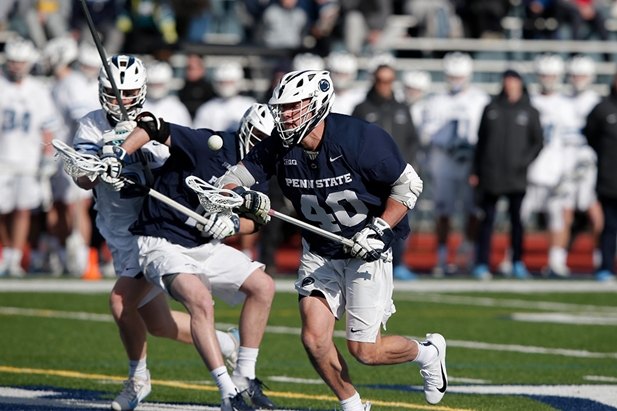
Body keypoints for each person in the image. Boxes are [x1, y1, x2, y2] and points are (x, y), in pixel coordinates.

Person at [219, 69, 448, 407]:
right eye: (281, 108)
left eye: (292, 107)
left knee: (366, 351)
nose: (284, 115)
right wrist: (233, 196)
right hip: (321, 249)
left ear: (317, 104)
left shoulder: (360, 138)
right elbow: (234, 177)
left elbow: (408, 185)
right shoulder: (280, 145)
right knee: (314, 339)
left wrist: (380, 229)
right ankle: (352, 405)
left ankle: (428, 354)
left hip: (365, 248)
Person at [73, 55, 241, 411]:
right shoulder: (90, 125)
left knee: (121, 303)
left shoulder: (159, 122)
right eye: (114, 92)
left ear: (143, 90)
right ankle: (228, 344)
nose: (121, 100)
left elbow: (178, 172)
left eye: (129, 91)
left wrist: (133, 158)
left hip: (153, 227)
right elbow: (82, 179)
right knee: (159, 324)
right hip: (117, 229)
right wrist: (103, 163)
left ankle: (137, 378)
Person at [104, 103, 278, 411]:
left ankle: (244, 378)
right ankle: (228, 394)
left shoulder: (261, 167)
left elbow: (259, 218)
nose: (264, 147)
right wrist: (119, 155)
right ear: (247, 131)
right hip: (162, 240)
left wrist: (235, 224)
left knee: (263, 286)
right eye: (261, 139)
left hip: (204, 245)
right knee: (197, 299)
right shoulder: (210, 144)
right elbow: (152, 127)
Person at [470, 69, 544, 280]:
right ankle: (482, 263)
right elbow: (481, 142)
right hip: (490, 174)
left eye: (513, 81)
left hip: (516, 177)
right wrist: (476, 171)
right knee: (487, 221)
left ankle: (517, 261)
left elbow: (537, 142)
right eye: (507, 81)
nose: (510, 85)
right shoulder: (491, 108)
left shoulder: (529, 111)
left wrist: (523, 162)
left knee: (517, 222)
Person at [422, 52, 490, 277]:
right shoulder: (436, 100)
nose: (456, 80)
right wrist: (448, 143)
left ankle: (468, 253)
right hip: (444, 166)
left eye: (460, 76)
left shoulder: (480, 100)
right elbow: (427, 132)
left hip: (471, 166)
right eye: (452, 75)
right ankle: (442, 257)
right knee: (443, 212)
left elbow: (487, 133)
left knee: (474, 211)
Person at [352, 62, 419, 281]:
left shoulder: (402, 108)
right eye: (381, 81)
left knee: (398, 220)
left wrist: (406, 165)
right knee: (370, 220)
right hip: (369, 177)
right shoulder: (362, 108)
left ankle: (397, 262)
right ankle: (369, 259)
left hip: (396, 176)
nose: (385, 85)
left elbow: (411, 140)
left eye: (389, 81)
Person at [0, 36, 59, 277]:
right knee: (2, 210)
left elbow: (47, 126)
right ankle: (7, 252)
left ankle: (14, 257)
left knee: (24, 210)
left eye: (20, 61)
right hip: (2, 158)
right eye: (13, 61)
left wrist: (47, 155)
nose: (16, 66)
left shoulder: (38, 89)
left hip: (28, 159)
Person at [523, 53, 579, 278]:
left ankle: (556, 260)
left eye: (551, 74)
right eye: (544, 74)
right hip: (530, 168)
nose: (547, 78)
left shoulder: (565, 105)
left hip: (556, 169)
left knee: (557, 216)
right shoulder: (530, 102)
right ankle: (513, 256)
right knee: (520, 215)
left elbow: (572, 144)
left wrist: (568, 172)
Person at [557, 55, 603, 276]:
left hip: (588, 164)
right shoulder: (562, 101)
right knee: (563, 212)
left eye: (582, 75)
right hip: (565, 162)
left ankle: (599, 257)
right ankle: (558, 259)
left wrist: (590, 159)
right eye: (575, 75)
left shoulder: (596, 102)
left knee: (595, 212)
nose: (578, 79)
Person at [582, 72, 617, 282]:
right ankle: (605, 266)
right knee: (609, 225)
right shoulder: (603, 108)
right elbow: (590, 135)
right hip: (609, 177)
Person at [193, 61, 256, 133]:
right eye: (223, 82)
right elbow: (199, 134)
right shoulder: (207, 109)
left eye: (230, 82)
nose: (226, 86)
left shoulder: (250, 106)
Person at [143, 60, 193, 127]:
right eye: (152, 85)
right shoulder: (139, 107)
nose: (156, 88)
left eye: (159, 85)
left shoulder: (178, 108)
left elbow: (186, 133)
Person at [178, 54, 216, 120]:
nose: (189, 71)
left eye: (192, 68)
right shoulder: (183, 89)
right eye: (188, 68)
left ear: (202, 69)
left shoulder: (209, 90)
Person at [327, 50, 366, 116]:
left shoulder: (361, 97)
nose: (341, 78)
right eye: (338, 74)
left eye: (344, 74)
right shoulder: (325, 99)